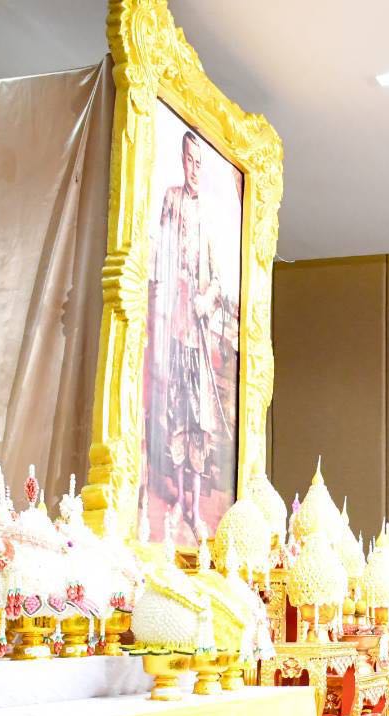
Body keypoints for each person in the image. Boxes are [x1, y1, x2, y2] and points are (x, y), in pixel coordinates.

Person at [148, 129, 237, 543]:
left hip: (199, 333)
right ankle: (179, 501)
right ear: (182, 161)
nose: (195, 168)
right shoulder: (171, 199)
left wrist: (206, 300)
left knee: (199, 420)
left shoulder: (209, 219)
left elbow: (218, 280)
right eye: (190, 160)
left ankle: (196, 509)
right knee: (176, 413)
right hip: (175, 326)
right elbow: (162, 257)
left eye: (201, 162)